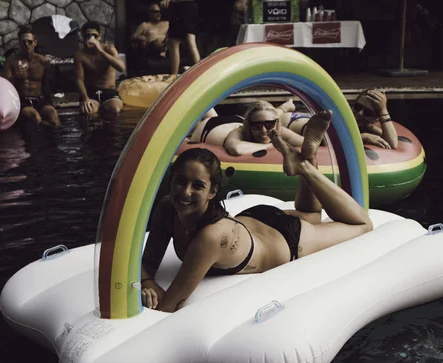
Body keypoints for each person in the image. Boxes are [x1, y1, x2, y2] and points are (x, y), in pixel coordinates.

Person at [141, 110, 373, 312]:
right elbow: (147, 265)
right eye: (180, 181)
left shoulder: (211, 237)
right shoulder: (167, 206)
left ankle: (304, 166)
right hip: (254, 218)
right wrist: (147, 280)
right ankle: (307, 156)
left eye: (198, 186)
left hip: (286, 239)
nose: (185, 192)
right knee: (312, 214)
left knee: (361, 225)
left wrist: (148, 285)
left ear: (213, 192)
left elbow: (169, 305)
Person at [190, 99, 306, 156]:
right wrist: (273, 144)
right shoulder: (238, 132)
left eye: (269, 124)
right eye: (256, 126)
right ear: (249, 126)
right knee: (200, 117)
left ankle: (284, 107)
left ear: (276, 123)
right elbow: (236, 149)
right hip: (209, 126)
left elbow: (306, 143)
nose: (264, 131)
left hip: (236, 119)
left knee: (265, 116)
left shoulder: (277, 128)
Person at [2, 26, 60, 127]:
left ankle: (52, 137)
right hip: (23, 101)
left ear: (35, 43)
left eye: (29, 41)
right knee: (35, 117)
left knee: (53, 115)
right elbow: (4, 86)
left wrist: (50, 100)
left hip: (40, 99)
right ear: (19, 43)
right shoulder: (12, 61)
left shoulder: (43, 61)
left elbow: (50, 84)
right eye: (23, 42)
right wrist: (16, 77)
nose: (26, 44)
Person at [74, 22, 127, 116]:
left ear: (99, 37)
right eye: (87, 35)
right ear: (83, 36)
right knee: (88, 111)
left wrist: (101, 51)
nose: (91, 38)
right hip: (91, 91)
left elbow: (121, 67)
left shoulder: (109, 48)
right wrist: (85, 98)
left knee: (115, 110)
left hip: (108, 90)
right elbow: (79, 79)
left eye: (94, 35)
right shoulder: (80, 55)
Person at [160, 0, 201, 81]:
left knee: (190, 40)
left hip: (187, 5)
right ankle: (174, 74)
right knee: (173, 41)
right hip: (177, 7)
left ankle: (200, 72)